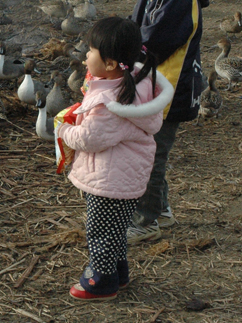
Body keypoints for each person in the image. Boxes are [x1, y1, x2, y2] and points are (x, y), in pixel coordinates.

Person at [57, 17, 173, 300]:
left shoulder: (112, 103)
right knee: (115, 229)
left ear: (110, 64)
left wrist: (63, 129)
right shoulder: (134, 85)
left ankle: (102, 281)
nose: (85, 55)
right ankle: (119, 272)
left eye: (90, 50)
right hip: (124, 176)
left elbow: (90, 138)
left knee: (99, 230)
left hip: (109, 179)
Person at [128, 0, 212, 243]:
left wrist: (123, 62)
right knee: (154, 151)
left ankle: (146, 220)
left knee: (149, 155)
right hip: (166, 88)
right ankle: (160, 212)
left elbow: (154, 41)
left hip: (163, 91)